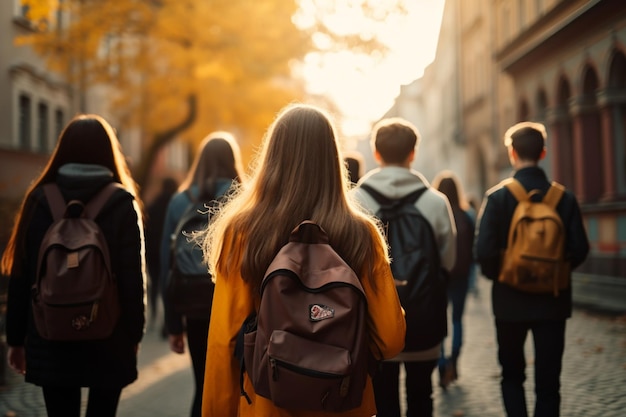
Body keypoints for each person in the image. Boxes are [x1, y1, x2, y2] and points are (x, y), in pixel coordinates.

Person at [198, 103, 406, 417]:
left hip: (266, 406)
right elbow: (390, 340)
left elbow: (222, 342)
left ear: (272, 156)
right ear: (332, 160)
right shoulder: (362, 234)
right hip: (344, 403)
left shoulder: (242, 232)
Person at [1, 114, 146, 417]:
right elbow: (133, 278)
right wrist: (134, 334)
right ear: (109, 152)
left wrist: (15, 339)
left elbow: (21, 274)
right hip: (110, 332)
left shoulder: (39, 199)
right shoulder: (121, 201)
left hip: (50, 334)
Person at [474, 121, 589, 417]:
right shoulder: (564, 198)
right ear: (543, 152)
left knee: (512, 376)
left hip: (509, 301)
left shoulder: (498, 197)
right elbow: (579, 249)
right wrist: (553, 273)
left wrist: (502, 275)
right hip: (553, 300)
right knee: (549, 382)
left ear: (512, 153)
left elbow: (484, 251)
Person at [353, 117, 456, 417]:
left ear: (376, 154)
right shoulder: (435, 202)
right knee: (422, 394)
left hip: (374, 319)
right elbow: (448, 261)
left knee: (383, 400)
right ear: (413, 153)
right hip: (423, 317)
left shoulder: (356, 200)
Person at [160, 132, 244, 417]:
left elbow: (165, 263)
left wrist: (173, 324)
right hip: (238, 307)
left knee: (204, 384)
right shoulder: (244, 198)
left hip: (193, 304)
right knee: (240, 385)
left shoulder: (180, 201)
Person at [431, 170, 475, 389]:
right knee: (457, 320)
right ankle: (454, 359)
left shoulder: (435, 214)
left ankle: (440, 363)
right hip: (461, 275)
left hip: (440, 276)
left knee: (439, 321)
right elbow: (474, 248)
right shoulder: (466, 215)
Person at [145, 176, 178, 331]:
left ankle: (153, 313)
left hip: (152, 251)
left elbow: (146, 230)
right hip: (171, 252)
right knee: (168, 283)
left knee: (155, 282)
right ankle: (167, 318)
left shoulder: (153, 206)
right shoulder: (176, 205)